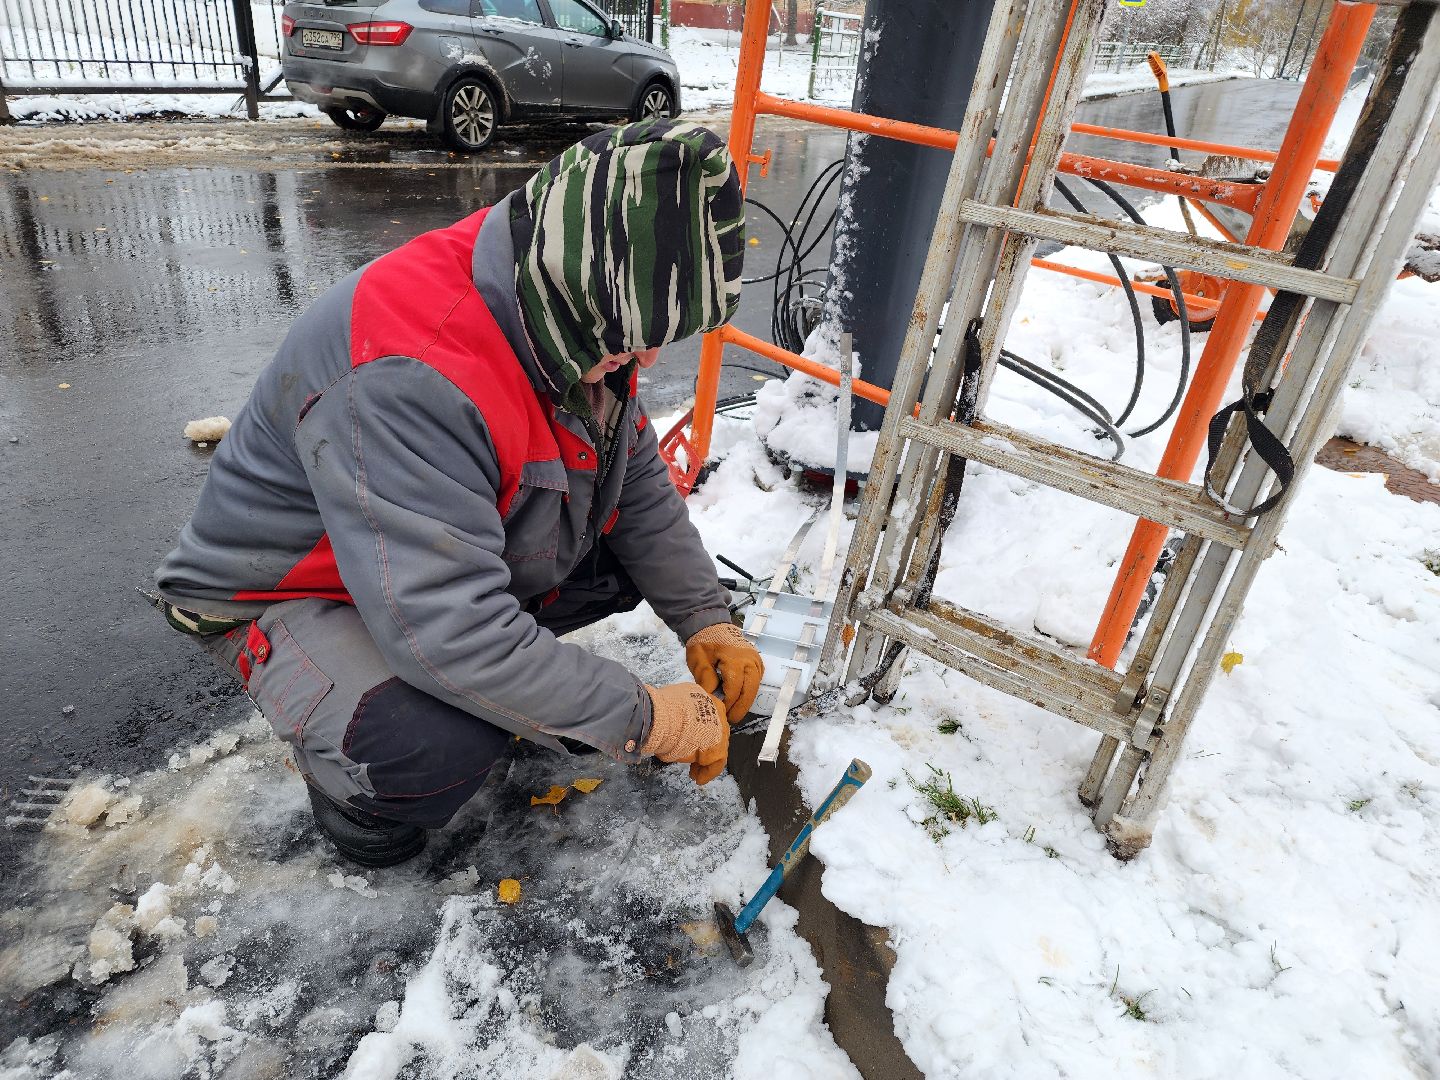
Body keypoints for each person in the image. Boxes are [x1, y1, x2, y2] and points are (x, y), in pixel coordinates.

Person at [150, 119, 764, 867]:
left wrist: (706, 618)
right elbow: (450, 632)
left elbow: (627, 471)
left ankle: (482, 686)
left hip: (407, 560)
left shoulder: (565, 290)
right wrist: (640, 718)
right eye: (636, 336)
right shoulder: (413, 373)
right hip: (288, 591)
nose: (650, 355)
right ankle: (353, 787)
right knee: (430, 745)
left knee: (615, 564)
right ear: (579, 285)